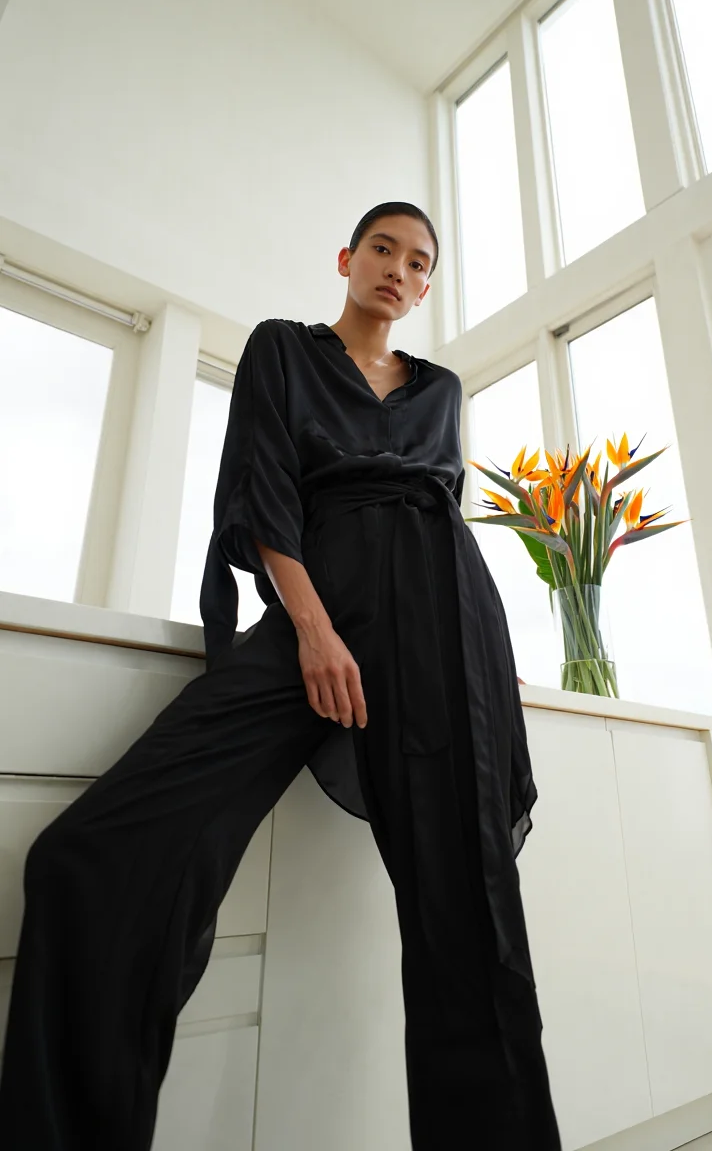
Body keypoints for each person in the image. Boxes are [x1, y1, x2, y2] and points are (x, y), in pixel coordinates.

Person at [0, 201, 561, 1150]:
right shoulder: (283, 352)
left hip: (441, 618)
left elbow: (443, 516)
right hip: (320, 605)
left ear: (426, 287)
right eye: (382, 248)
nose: (398, 267)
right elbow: (264, 492)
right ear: (348, 258)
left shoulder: (442, 390)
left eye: (419, 261)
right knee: (86, 857)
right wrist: (312, 630)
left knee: (470, 915)